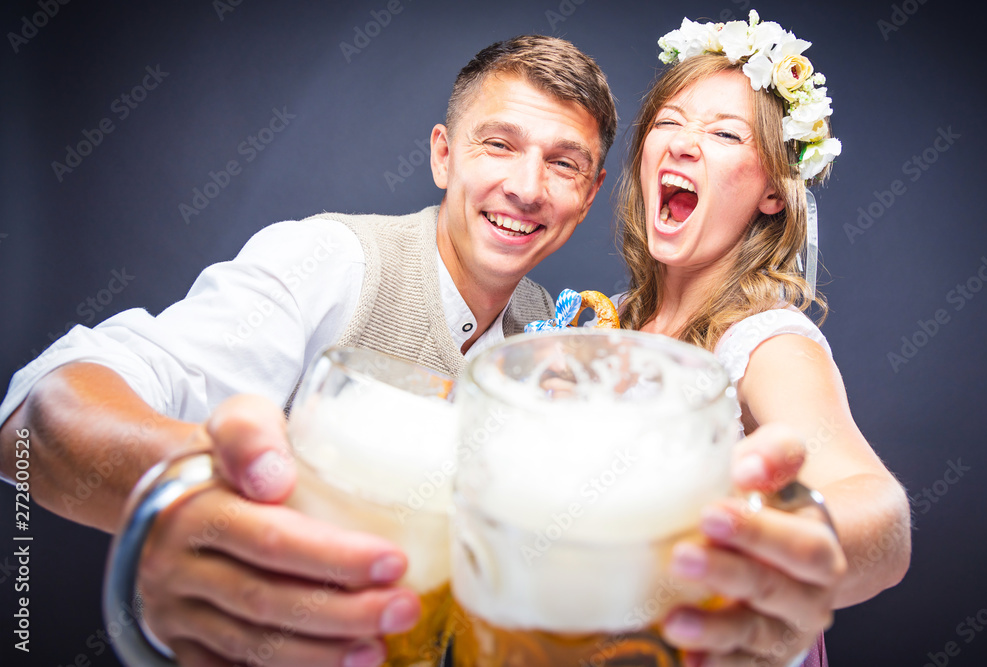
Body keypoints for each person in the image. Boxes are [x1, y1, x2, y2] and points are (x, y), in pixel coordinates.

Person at [0, 35, 615, 666]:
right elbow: (36, 406)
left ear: (589, 196)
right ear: (443, 156)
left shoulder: (543, 327)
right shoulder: (330, 261)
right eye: (499, 144)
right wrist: (192, 487)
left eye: (564, 164)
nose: (527, 187)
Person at [610, 11, 911, 666]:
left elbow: (878, 510)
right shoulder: (618, 318)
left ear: (773, 191)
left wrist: (787, 546)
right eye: (669, 121)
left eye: (723, 133)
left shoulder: (766, 341)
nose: (684, 143)